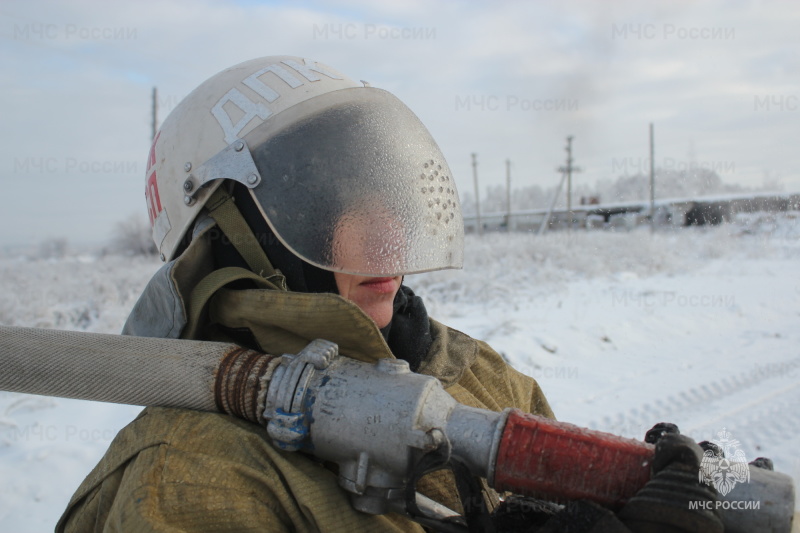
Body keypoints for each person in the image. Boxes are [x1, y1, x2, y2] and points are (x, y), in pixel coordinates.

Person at [56, 57, 721, 532]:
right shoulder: (189, 475)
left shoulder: (474, 372)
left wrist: (713, 491)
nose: (388, 230)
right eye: (327, 200)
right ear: (233, 239)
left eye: (386, 192)